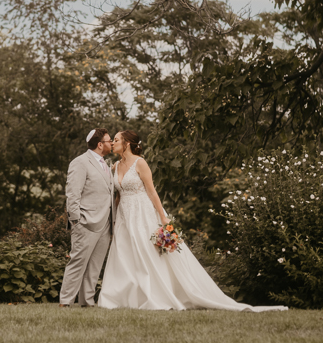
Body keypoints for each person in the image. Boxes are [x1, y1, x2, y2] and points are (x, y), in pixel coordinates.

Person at [98, 130, 288, 312]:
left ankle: (155, 295)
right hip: (124, 216)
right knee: (125, 253)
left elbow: (151, 191)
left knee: (147, 252)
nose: (112, 143)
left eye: (115, 139)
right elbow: (118, 196)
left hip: (143, 213)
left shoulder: (140, 163)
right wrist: (114, 218)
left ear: (127, 143)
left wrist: (163, 217)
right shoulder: (115, 166)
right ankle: (124, 297)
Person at [59, 128, 115, 307]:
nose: (112, 143)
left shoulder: (105, 164)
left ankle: (87, 301)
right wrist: (76, 220)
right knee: (78, 263)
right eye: (109, 141)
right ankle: (65, 302)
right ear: (100, 145)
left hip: (105, 223)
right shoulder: (80, 162)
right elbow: (73, 193)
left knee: (94, 266)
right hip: (85, 222)